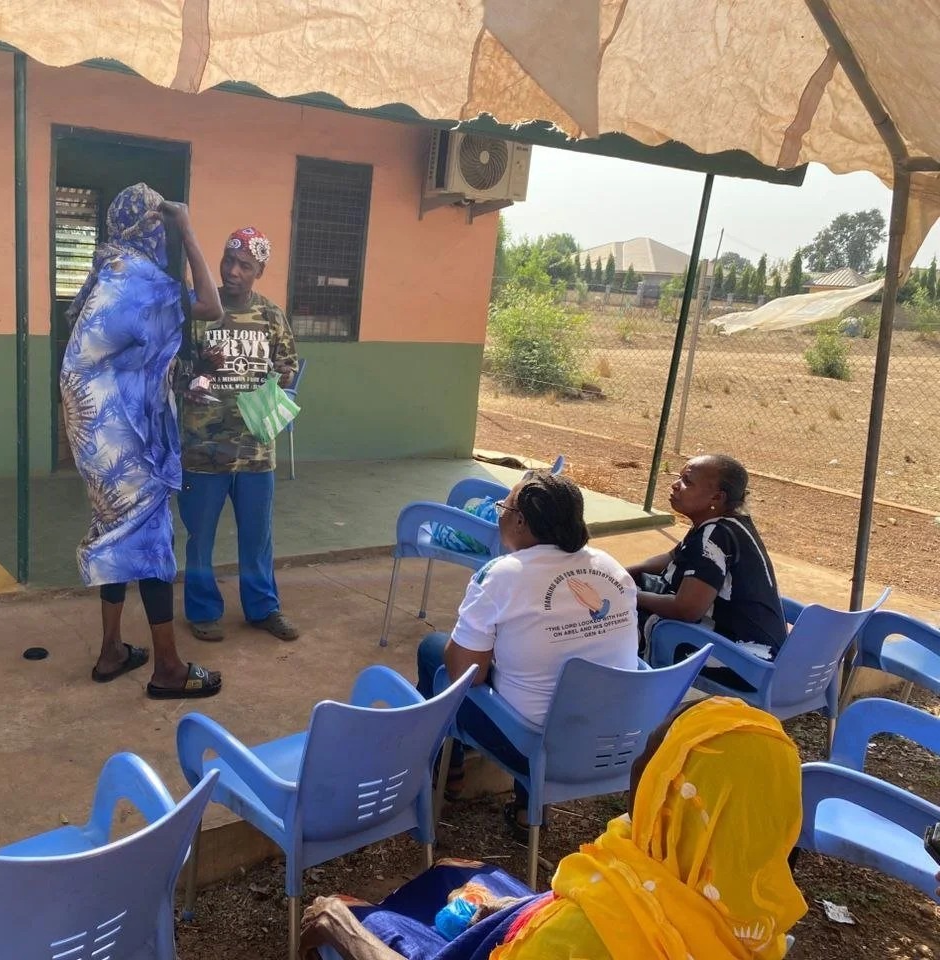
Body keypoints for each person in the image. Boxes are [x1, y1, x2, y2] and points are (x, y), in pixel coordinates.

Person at [299, 696, 808, 960]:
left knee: (347, 914)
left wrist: (340, 929)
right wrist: (507, 910)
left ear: (674, 806)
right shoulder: (758, 921)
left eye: (654, 764)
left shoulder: (584, 937)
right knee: (468, 880)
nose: (636, 770)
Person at [59, 183, 224, 700]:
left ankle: (111, 652)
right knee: (152, 542)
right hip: (125, 435)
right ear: (152, 228)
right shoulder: (142, 281)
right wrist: (190, 230)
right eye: (161, 226)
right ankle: (169, 669)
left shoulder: (109, 272)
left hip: (95, 434)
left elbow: (123, 359)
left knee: (115, 533)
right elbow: (211, 305)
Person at [417, 471, 640, 833]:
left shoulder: (503, 575)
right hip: (616, 742)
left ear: (520, 520)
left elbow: (465, 675)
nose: (499, 512)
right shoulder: (611, 568)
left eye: (503, 506)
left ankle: (449, 768)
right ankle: (524, 809)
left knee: (433, 651)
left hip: (536, 750)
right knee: (546, 681)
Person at [177, 226, 300, 642]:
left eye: (244, 266)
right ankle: (202, 610)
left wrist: (277, 385)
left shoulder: (270, 316)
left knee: (257, 536)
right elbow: (173, 368)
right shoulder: (198, 311)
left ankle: (263, 608)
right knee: (200, 538)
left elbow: (289, 368)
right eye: (228, 261)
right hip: (202, 449)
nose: (232, 271)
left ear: (259, 271)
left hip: (254, 452)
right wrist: (188, 384)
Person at [627, 454, 786, 681]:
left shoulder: (716, 536)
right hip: (759, 655)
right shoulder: (723, 523)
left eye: (687, 482)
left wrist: (629, 594)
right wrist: (622, 572)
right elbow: (672, 557)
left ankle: (638, 694)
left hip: (742, 662)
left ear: (717, 497)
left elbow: (686, 609)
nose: (675, 485)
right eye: (679, 477)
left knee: (621, 622)